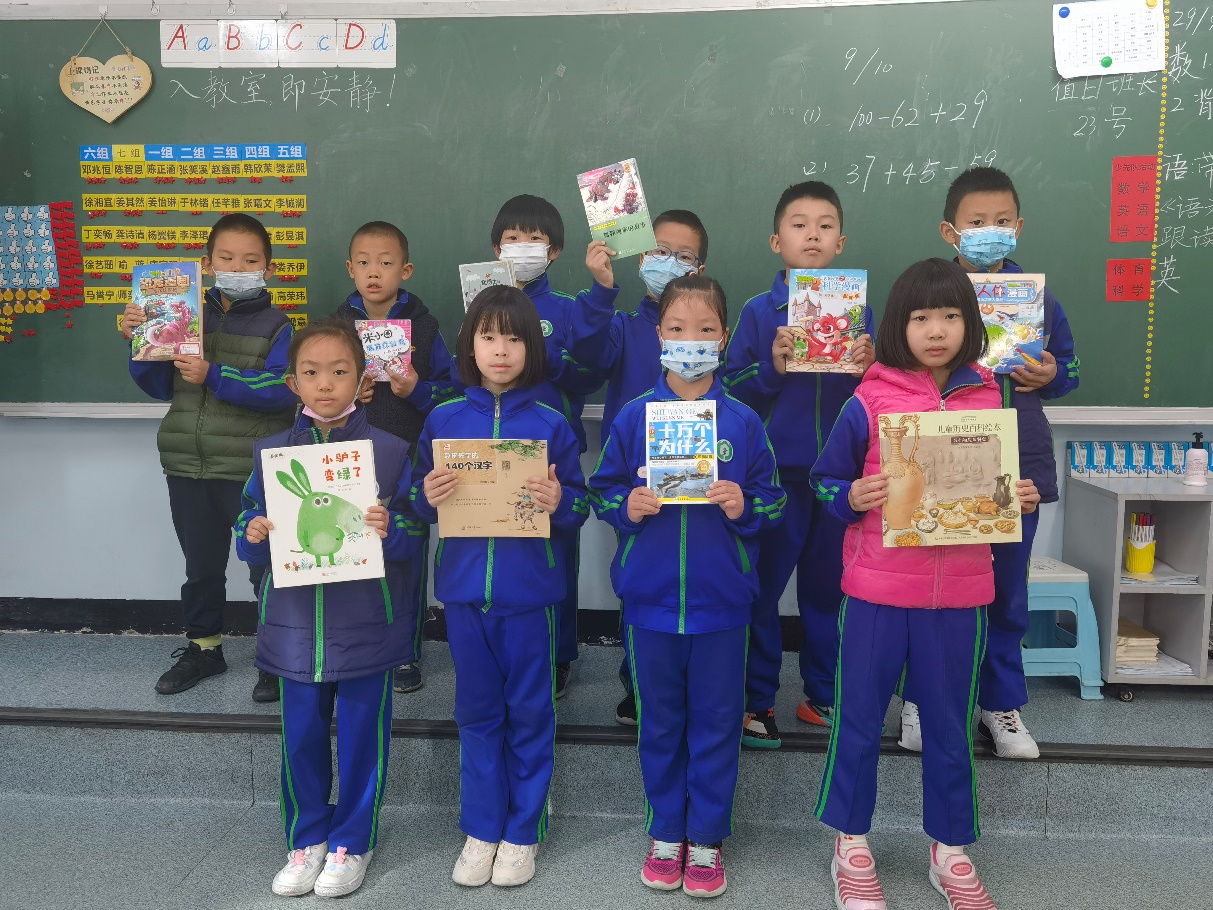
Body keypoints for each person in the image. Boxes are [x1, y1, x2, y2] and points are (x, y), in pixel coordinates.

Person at [810, 258, 1040, 910]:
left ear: (970, 324)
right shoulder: (869, 398)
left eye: (950, 316)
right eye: (920, 317)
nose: (936, 330)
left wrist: (1018, 497)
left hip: (959, 598)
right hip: (877, 594)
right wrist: (851, 495)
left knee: (947, 728)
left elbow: (1002, 490)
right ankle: (850, 844)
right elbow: (825, 483)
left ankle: (950, 850)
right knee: (858, 721)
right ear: (897, 326)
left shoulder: (991, 398)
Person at [589, 274, 784, 897]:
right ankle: (666, 830)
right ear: (659, 335)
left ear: (723, 339)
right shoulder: (634, 417)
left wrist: (743, 506)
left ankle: (706, 837)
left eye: (704, 330)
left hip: (722, 605)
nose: (690, 341)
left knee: (718, 723)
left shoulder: (743, 421)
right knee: (659, 723)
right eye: (677, 329)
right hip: (649, 604)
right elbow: (602, 491)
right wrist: (627, 506)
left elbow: (773, 501)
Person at [234, 318, 425, 898]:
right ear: (292, 383)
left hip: (366, 624)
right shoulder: (272, 455)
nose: (325, 384)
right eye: (311, 373)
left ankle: (352, 842)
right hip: (294, 626)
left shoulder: (389, 453)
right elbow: (246, 527)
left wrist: (391, 529)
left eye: (339, 372)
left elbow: (416, 533)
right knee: (301, 737)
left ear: (362, 380)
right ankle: (307, 838)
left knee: (364, 738)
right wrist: (255, 534)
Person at [899, 167, 1080, 761]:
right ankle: (921, 698)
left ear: (1018, 226)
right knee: (931, 584)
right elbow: (899, 367)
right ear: (950, 231)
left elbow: (1069, 369)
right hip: (943, 456)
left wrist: (1052, 374)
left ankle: (999, 703)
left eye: (1001, 221)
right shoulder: (930, 296)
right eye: (976, 222)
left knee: (1005, 593)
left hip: (1016, 462)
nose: (990, 230)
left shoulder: (1036, 298)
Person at [411, 285, 589, 889]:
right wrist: (426, 496)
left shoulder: (551, 422)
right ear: (469, 346)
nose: (502, 350)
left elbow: (580, 505)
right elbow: (417, 501)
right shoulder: (443, 419)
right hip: (465, 595)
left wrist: (560, 500)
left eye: (514, 338)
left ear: (532, 348)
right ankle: (482, 827)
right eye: (489, 337)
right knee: (477, 712)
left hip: (530, 596)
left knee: (531, 712)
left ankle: (523, 831)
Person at [119, 212, 296, 702]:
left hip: (248, 469)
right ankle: (204, 648)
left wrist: (213, 375)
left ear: (268, 269)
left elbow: (282, 390)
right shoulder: (178, 312)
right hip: (187, 462)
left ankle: (275, 656)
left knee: (267, 566)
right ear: (207, 263)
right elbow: (159, 386)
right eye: (227, 258)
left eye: (251, 261)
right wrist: (141, 341)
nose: (238, 267)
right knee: (201, 567)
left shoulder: (279, 326)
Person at [722, 181, 874, 748]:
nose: (813, 234)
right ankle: (755, 700)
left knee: (829, 591)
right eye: (799, 224)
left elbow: (881, 396)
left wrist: (871, 367)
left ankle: (822, 695)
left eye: (825, 225)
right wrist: (771, 368)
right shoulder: (759, 312)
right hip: (776, 478)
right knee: (762, 591)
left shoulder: (860, 312)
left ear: (841, 242)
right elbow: (729, 388)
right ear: (776, 241)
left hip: (839, 478)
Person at [569, 209, 710, 725]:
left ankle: (698, 682)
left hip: (702, 480)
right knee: (639, 584)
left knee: (697, 578)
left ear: (699, 270)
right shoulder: (623, 326)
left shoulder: (711, 336)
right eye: (659, 251)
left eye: (683, 255)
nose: (669, 261)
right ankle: (639, 683)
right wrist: (601, 289)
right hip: (636, 486)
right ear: (642, 256)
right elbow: (585, 360)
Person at [332, 219, 456, 695]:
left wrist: (416, 389)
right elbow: (314, 392)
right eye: (364, 263)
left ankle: (406, 651)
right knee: (351, 547)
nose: (374, 272)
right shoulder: (335, 326)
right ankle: (355, 644)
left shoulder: (425, 326)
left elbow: (454, 393)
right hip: (350, 458)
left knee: (405, 556)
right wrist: (348, 396)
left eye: (385, 263)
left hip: (407, 458)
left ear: (405, 270)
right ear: (350, 269)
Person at [490, 194, 599, 696]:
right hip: (490, 448)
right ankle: (502, 650)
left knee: (556, 552)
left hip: (551, 449)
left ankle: (558, 655)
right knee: (500, 551)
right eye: (511, 238)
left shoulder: (567, 309)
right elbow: (464, 373)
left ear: (553, 251)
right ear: (496, 249)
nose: (521, 247)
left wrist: (545, 356)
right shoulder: (482, 304)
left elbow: (589, 375)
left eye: (533, 239)